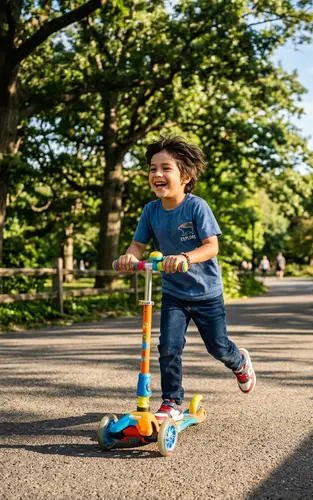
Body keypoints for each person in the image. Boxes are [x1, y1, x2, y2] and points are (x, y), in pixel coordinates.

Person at [117, 136, 256, 423]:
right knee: (168, 346)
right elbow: (137, 246)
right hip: (174, 293)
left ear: (185, 176)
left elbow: (212, 247)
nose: (157, 174)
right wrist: (130, 257)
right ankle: (171, 402)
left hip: (206, 293)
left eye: (166, 168)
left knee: (217, 347)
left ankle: (239, 360)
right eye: (153, 169)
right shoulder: (150, 211)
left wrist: (185, 257)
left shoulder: (196, 207)